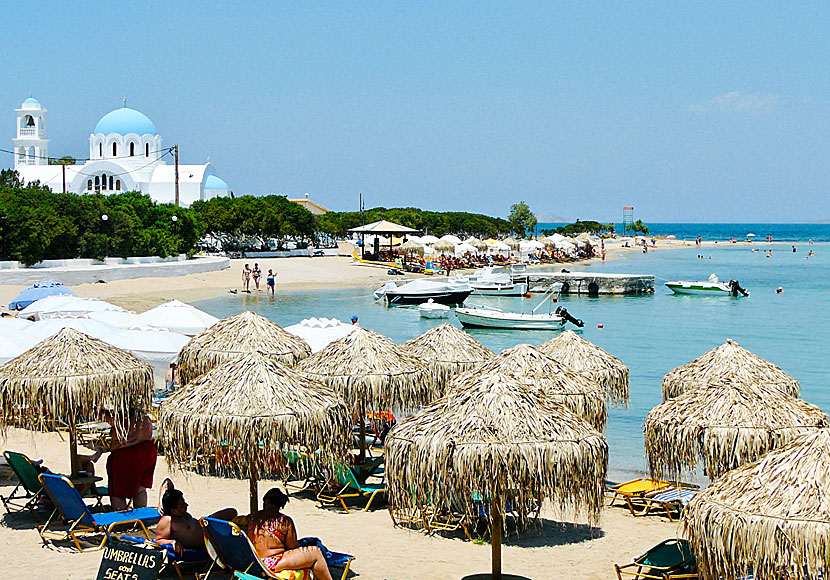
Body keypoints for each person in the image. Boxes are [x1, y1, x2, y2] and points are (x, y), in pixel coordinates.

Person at [248, 488, 334, 580]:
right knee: (316, 553)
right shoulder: (285, 521)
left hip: (255, 561)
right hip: (271, 562)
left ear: (267, 501)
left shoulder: (254, 517)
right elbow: (292, 547)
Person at [155, 480, 237, 556]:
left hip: (205, 525)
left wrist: (160, 502)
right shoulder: (167, 520)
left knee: (232, 512)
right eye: (182, 505)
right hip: (207, 541)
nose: (187, 505)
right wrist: (172, 542)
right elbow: (158, 541)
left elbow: (167, 482)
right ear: (173, 511)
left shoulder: (180, 513)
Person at [104, 409, 157, 511]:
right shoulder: (144, 418)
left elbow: (105, 417)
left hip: (127, 454)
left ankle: (121, 521)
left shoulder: (122, 417)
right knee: (141, 489)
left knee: (118, 492)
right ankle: (140, 516)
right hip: (148, 451)